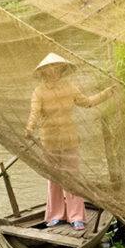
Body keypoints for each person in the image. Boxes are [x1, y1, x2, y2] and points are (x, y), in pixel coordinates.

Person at [24, 52, 114, 231]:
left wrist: (108, 92)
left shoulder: (70, 87)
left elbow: (87, 102)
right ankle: (56, 215)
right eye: (49, 68)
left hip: (70, 139)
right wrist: (29, 128)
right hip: (48, 141)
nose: (53, 71)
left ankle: (76, 217)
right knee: (54, 180)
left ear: (62, 69)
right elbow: (34, 113)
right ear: (44, 72)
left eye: (56, 67)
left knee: (73, 179)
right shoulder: (39, 91)